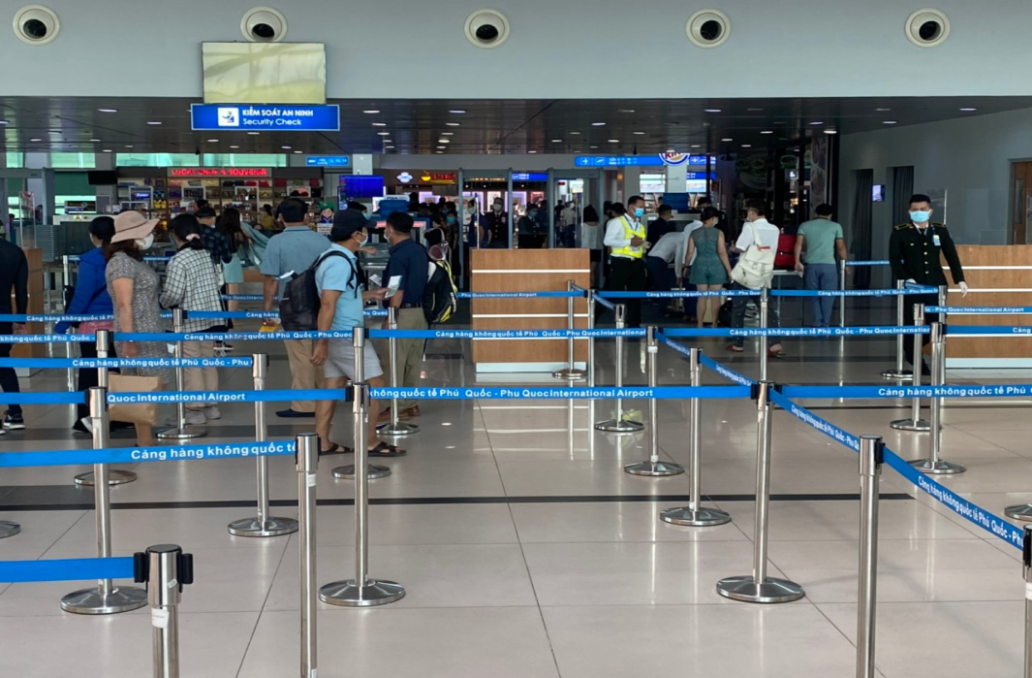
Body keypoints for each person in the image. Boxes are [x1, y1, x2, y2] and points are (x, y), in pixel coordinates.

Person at [311, 211, 404, 457]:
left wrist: (369, 295)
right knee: (375, 384)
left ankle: (322, 441)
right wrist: (322, 342)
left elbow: (341, 297)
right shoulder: (339, 263)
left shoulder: (333, 256)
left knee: (333, 385)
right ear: (355, 234)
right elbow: (327, 303)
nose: (366, 235)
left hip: (337, 333)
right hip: (345, 335)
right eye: (364, 231)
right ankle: (370, 441)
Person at [261, 198, 331, 418]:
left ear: (280, 217)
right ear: (307, 216)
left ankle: (304, 405)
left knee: (300, 357)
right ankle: (325, 400)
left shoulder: (276, 242)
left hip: (291, 307)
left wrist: (266, 309)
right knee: (321, 354)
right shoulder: (323, 241)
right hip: (322, 305)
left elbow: (271, 279)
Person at [889, 193, 968, 374]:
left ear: (930, 211)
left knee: (937, 322)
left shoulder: (940, 230)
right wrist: (905, 278)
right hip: (912, 286)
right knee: (910, 322)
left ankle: (914, 350)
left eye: (923, 209)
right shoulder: (900, 231)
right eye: (915, 210)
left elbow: (951, 255)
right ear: (909, 211)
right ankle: (914, 357)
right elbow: (894, 258)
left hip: (935, 284)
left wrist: (960, 279)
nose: (919, 212)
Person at [105, 210, 165, 446]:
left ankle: (145, 436)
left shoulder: (133, 261)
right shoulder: (121, 263)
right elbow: (124, 304)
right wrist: (129, 340)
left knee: (150, 385)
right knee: (141, 386)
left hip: (149, 331)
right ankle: (144, 439)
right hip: (137, 333)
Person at [159, 214, 225, 425]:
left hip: (187, 319)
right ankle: (211, 406)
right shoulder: (204, 253)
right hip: (210, 316)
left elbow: (173, 294)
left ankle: (194, 409)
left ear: (174, 234)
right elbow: (217, 282)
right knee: (207, 361)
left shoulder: (179, 260)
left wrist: (161, 301)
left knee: (191, 364)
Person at [56, 216, 120, 433]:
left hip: (92, 327)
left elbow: (82, 297)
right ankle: (119, 416)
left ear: (93, 236)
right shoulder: (125, 258)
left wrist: (63, 324)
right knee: (115, 371)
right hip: (119, 324)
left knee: (91, 374)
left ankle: (89, 417)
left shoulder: (90, 261)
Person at [377, 212, 428, 422]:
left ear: (390, 229)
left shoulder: (398, 256)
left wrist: (390, 317)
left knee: (394, 361)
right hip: (420, 313)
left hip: (402, 313)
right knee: (412, 361)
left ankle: (395, 407)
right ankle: (411, 404)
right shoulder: (419, 250)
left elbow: (396, 290)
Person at [728, 200, 783, 357]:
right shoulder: (775, 229)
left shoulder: (749, 227)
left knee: (738, 309)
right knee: (768, 310)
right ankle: (775, 343)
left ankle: (738, 343)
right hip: (764, 274)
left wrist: (732, 248)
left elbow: (740, 247)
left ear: (752, 213)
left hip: (746, 275)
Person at [795, 204, 849, 328]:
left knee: (812, 295)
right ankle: (825, 323)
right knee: (828, 295)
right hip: (829, 265)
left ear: (815, 213)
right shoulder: (836, 226)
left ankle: (816, 322)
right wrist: (845, 263)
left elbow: (798, 244)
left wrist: (797, 261)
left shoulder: (805, 225)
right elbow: (840, 247)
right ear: (830, 215)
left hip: (811, 265)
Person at [603, 198, 648, 328]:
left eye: (643, 207)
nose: (642, 210)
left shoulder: (639, 225)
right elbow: (607, 241)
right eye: (640, 207)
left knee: (636, 296)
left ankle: (634, 325)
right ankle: (592, 320)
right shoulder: (617, 222)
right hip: (621, 262)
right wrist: (629, 242)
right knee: (611, 293)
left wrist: (642, 245)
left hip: (637, 262)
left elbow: (638, 242)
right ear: (630, 207)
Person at [687, 207, 734, 328]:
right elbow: (722, 252)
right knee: (715, 297)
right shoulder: (718, 233)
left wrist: (685, 266)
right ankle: (714, 324)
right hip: (716, 265)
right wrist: (729, 271)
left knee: (701, 297)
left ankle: (699, 324)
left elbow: (690, 252)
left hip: (699, 265)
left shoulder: (694, 233)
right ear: (713, 218)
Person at [0, 234, 28, 432]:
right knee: (4, 364)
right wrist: (20, 319)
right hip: (4, 316)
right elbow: (21, 289)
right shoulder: (14, 251)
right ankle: (15, 413)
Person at [217, 207, 253, 315]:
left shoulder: (218, 230)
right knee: (233, 291)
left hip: (219, 260)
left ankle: (224, 315)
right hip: (232, 261)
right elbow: (250, 242)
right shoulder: (237, 232)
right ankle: (231, 317)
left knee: (224, 289)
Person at [581, 205, 602, 285]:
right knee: (592, 270)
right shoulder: (599, 225)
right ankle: (593, 284)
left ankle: (588, 284)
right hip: (597, 249)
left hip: (585, 249)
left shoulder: (583, 226)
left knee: (586, 269)